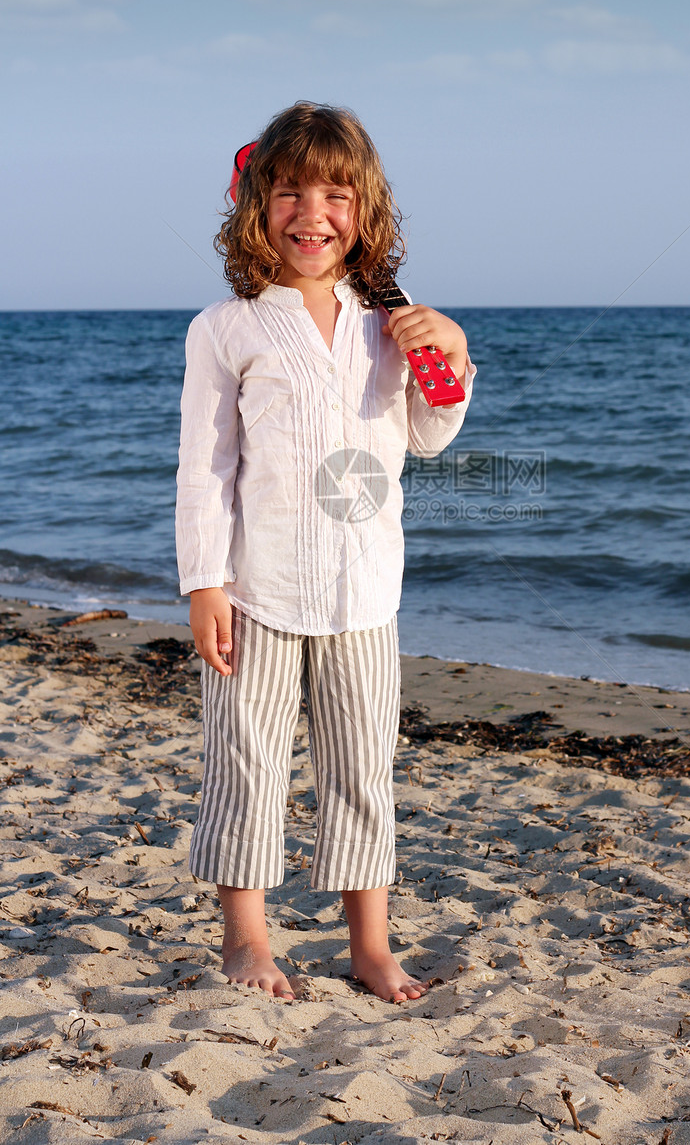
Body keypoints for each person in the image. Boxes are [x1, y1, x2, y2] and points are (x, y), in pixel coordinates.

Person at [175, 101, 475, 1003]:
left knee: (360, 769)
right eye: (289, 191)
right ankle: (248, 939)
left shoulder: (390, 316)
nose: (312, 212)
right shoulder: (227, 328)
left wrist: (452, 351)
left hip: (365, 592)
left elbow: (429, 436)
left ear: (365, 208)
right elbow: (207, 466)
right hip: (258, 589)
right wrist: (205, 584)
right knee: (248, 762)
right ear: (254, 204)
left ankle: (370, 945)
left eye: (335, 193)